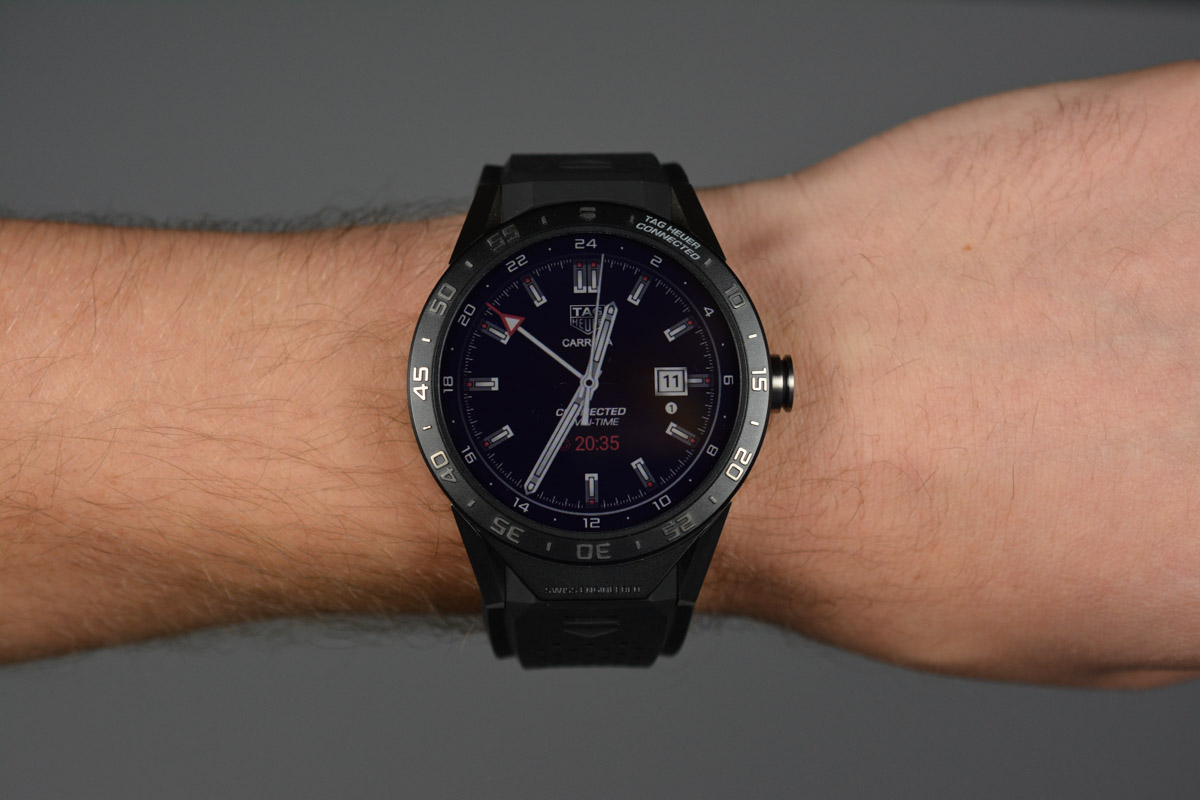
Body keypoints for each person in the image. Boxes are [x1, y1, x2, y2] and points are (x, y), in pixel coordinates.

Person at [1, 62, 1196, 688]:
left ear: (764, 380)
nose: (581, 396)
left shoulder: (672, 379)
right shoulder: (483, 377)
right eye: (573, 385)